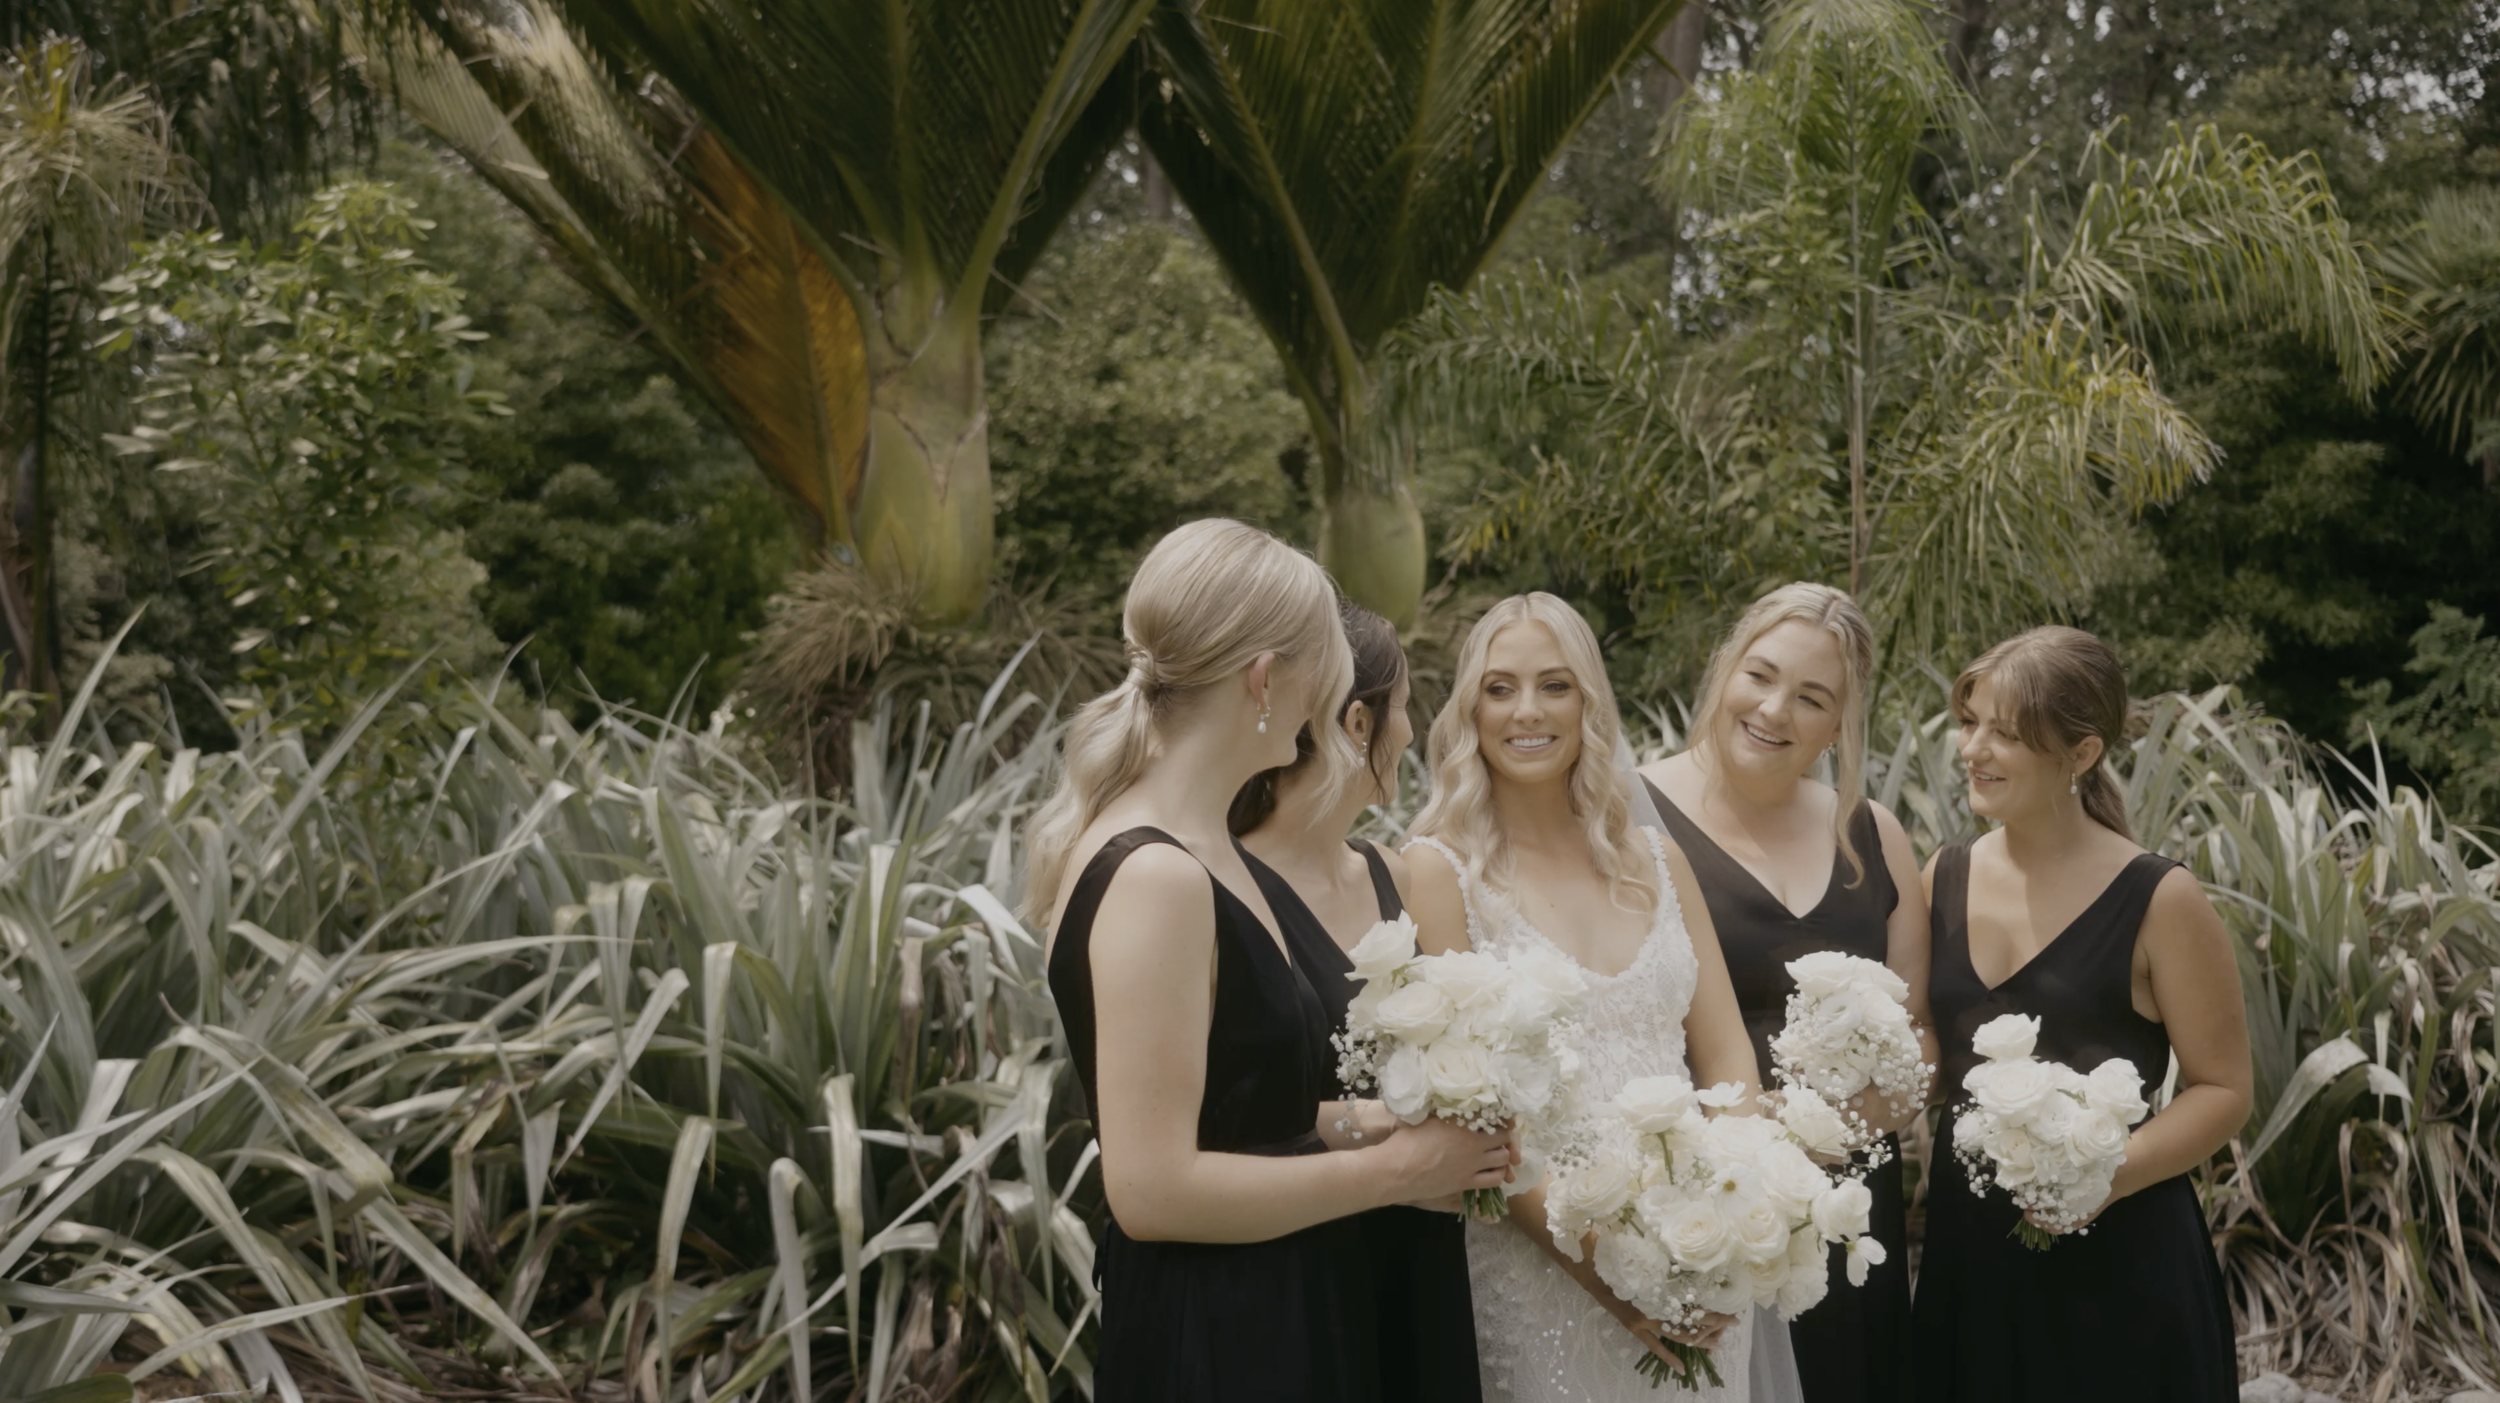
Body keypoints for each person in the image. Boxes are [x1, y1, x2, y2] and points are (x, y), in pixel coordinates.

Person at [1029, 519, 1516, 1403]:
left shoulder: (1202, 844)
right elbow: (1153, 1187)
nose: (1320, 712)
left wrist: (1378, 1122)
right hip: (1225, 1333)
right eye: (1320, 676)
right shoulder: (1156, 873)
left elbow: (1235, 1110)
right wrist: (1399, 1172)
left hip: (1285, 1300)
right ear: (1263, 679)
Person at [1402, 592, 1764, 1403]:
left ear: (1588, 701)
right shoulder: (1435, 870)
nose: (1526, 710)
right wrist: (1616, 1277)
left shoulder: (1659, 859)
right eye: (1499, 688)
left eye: (1554, 685)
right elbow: (1474, 1114)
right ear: (1469, 708)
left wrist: (1731, 1211)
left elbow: (1727, 1050)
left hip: (1695, 1261)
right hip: (1541, 1265)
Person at [1910, 626, 2248, 1402]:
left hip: (2120, 1270)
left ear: (2083, 753)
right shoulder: (1945, 876)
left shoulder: (2162, 899)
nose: (1974, 749)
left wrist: (2099, 1176)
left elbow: (2225, 1089)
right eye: (1971, 723)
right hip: (1973, 1263)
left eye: (2006, 733)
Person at [1635, 583, 1931, 1403]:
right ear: (1724, 669)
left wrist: (1830, 1133)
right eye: (1759, 675)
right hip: (1696, 1212)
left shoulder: (1874, 836)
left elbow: (1922, 1038)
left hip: (1843, 1214)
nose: (1774, 709)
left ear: (1839, 722)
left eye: (1811, 697)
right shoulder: (1627, 817)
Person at [1232, 602, 1483, 1403]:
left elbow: (1471, 1060)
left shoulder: (1401, 876)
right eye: (1405, 707)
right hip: (1289, 1275)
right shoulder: (1221, 886)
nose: (1412, 733)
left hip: (1417, 1262)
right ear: (1358, 719)